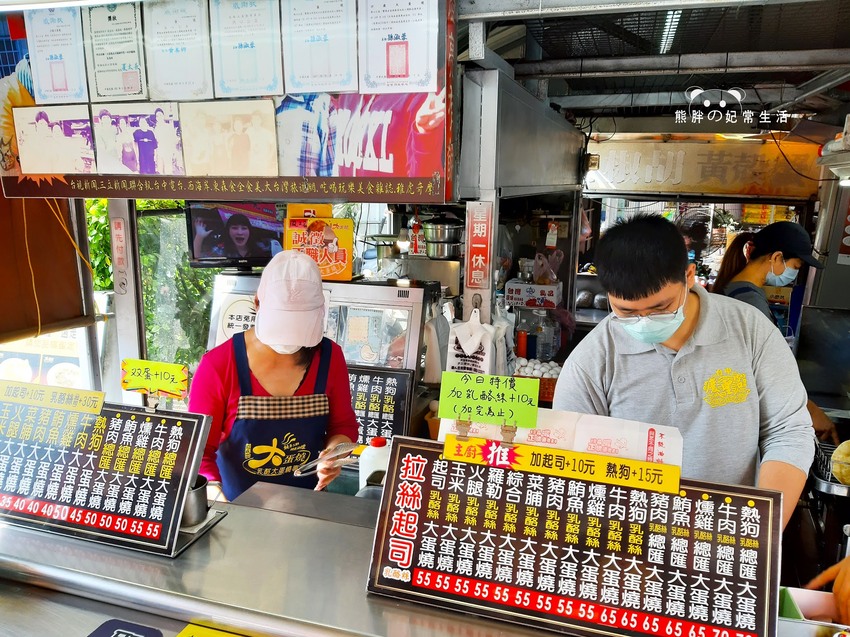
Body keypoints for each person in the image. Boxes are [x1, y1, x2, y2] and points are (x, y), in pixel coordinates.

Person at [552, 214, 815, 528]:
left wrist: (762, 532)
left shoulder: (750, 331)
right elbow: (571, 463)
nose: (644, 321)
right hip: (630, 542)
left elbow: (788, 432)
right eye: (626, 311)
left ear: (689, 276)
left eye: (660, 307)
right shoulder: (591, 361)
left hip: (730, 534)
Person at [188, 250, 357, 501]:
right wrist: (214, 494)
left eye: (298, 328)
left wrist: (333, 454)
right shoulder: (219, 365)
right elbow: (198, 451)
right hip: (236, 511)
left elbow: (343, 426)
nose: (289, 340)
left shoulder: (330, 357)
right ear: (257, 303)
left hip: (310, 508)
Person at [713, 222, 837, 444]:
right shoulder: (749, 301)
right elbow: (766, 371)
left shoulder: (740, 291)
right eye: (796, 267)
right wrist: (809, 410)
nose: (793, 274)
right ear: (777, 257)